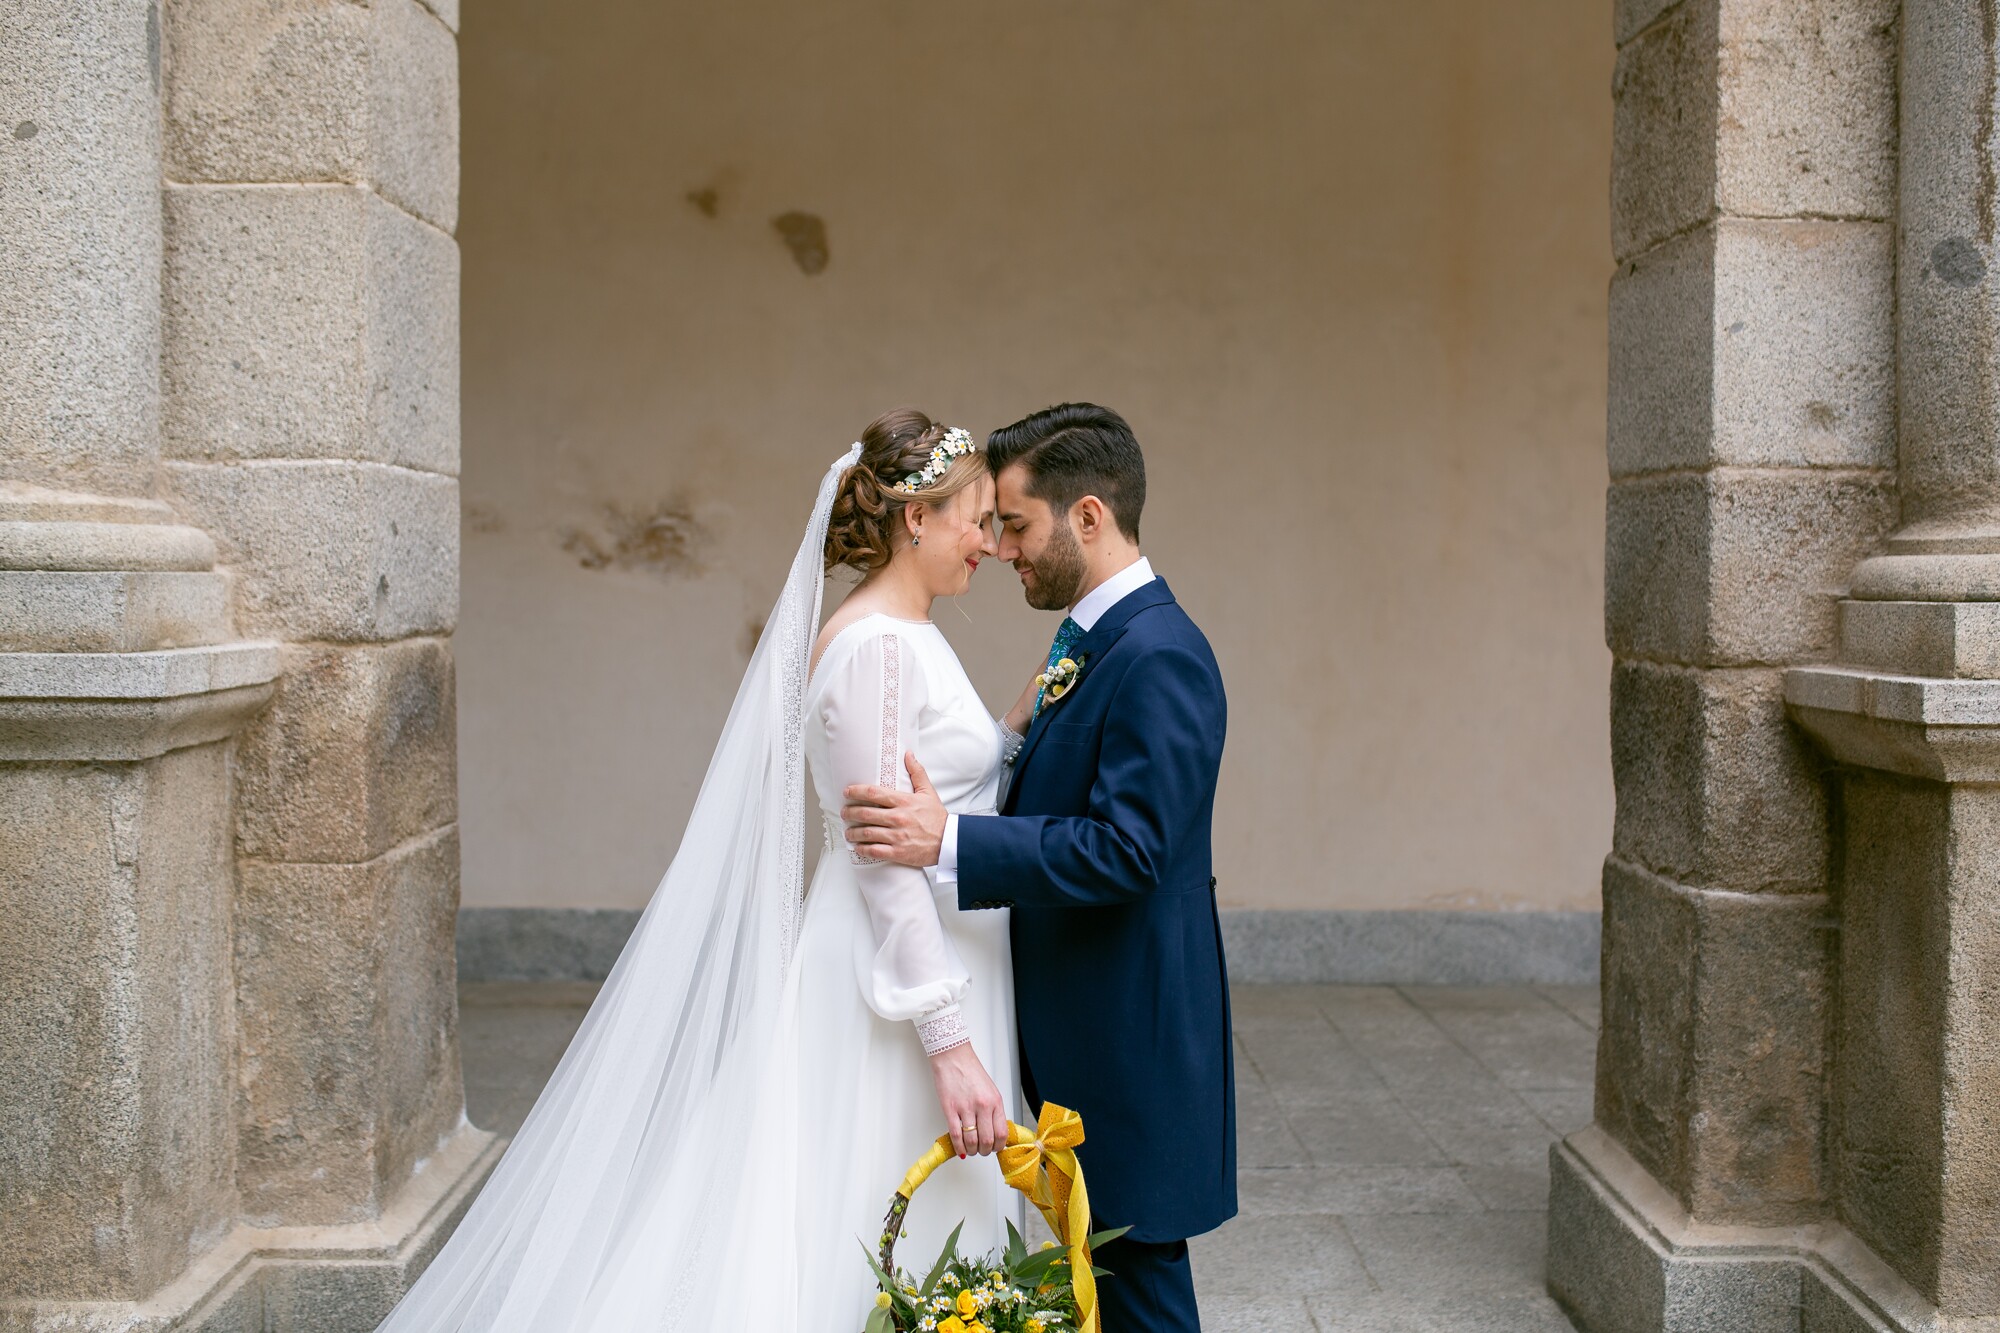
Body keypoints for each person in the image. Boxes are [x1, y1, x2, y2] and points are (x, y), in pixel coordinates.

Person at [374, 410, 1032, 1331]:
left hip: (942, 959)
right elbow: (884, 860)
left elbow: (940, 787)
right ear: (915, 518)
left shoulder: (907, 633)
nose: (989, 543)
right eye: (975, 518)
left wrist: (1016, 725)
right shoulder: (876, 647)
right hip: (894, 985)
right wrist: (949, 1042)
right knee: (877, 1217)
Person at [844, 402, 1236, 1333]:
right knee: (1103, 1292)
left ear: (1087, 517)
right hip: (1086, 1038)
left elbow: (1130, 848)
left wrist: (948, 840)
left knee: (1141, 1295)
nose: (1002, 546)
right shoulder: (1097, 640)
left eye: (1016, 524)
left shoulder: (1161, 655)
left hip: (1129, 1051)